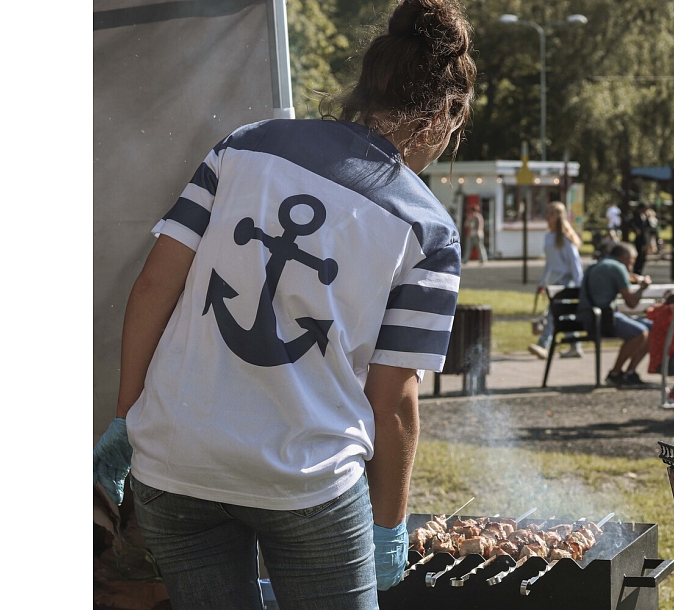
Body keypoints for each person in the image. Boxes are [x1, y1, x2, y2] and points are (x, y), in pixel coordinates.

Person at [90, 1, 474, 607]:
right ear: (441, 119)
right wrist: (388, 525)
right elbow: (393, 398)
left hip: (175, 462)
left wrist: (127, 419)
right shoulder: (428, 229)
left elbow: (152, 290)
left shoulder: (244, 147)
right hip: (306, 480)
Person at [581, 241, 653, 386]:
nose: (631, 267)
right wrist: (642, 288)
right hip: (602, 320)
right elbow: (631, 303)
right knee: (641, 333)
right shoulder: (617, 268)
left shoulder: (597, 264)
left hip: (589, 316)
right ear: (625, 257)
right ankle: (616, 373)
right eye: (631, 262)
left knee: (653, 328)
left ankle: (629, 373)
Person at [530, 201, 584, 359]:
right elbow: (549, 263)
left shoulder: (566, 239)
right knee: (565, 316)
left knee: (553, 314)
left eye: (552, 213)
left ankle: (543, 344)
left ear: (559, 216)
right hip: (553, 281)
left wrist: (579, 286)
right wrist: (542, 282)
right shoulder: (548, 236)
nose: (548, 216)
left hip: (566, 281)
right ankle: (575, 346)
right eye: (548, 213)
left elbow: (575, 264)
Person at [625, 203, 655, 276]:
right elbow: (631, 223)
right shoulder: (635, 216)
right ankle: (636, 271)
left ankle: (640, 271)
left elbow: (649, 226)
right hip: (639, 239)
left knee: (643, 256)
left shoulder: (645, 216)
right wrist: (636, 229)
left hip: (645, 238)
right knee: (639, 255)